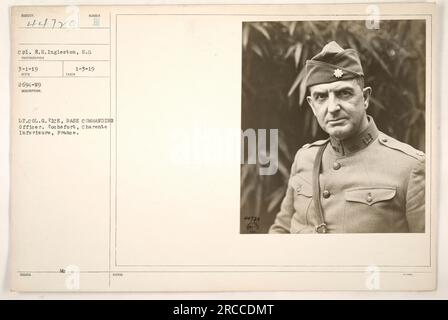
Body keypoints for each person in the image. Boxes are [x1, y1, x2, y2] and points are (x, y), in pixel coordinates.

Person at [269, 41, 425, 234]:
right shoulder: (304, 158)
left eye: (344, 93)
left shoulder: (409, 166)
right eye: (321, 97)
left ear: (365, 98)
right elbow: (281, 231)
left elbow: (424, 252)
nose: (333, 108)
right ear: (312, 105)